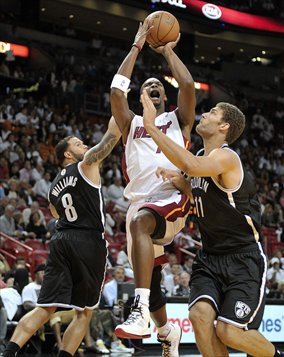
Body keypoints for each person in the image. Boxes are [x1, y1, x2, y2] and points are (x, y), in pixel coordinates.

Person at [141, 90, 284, 357]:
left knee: (229, 332)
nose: (205, 113)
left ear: (224, 126)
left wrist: (151, 127)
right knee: (199, 316)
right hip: (210, 257)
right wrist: (182, 184)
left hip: (242, 258)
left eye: (212, 112)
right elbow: (205, 192)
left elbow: (192, 164)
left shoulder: (227, 158)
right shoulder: (202, 156)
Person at [110, 19, 195, 356]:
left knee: (140, 223)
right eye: (147, 85)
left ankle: (139, 310)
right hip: (140, 204)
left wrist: (167, 51)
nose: (154, 86)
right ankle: (167, 332)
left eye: (159, 83)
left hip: (171, 197)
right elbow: (117, 91)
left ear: (165, 94)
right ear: (141, 95)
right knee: (154, 280)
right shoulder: (131, 123)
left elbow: (187, 83)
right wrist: (136, 46)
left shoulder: (179, 120)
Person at [3, 117, 121, 357]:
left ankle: (8, 353)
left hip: (61, 241)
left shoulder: (53, 185)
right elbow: (112, 137)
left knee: (45, 308)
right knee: (84, 312)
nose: (85, 146)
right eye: (78, 144)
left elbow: (56, 212)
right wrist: (120, 107)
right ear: (67, 154)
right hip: (88, 241)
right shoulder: (87, 164)